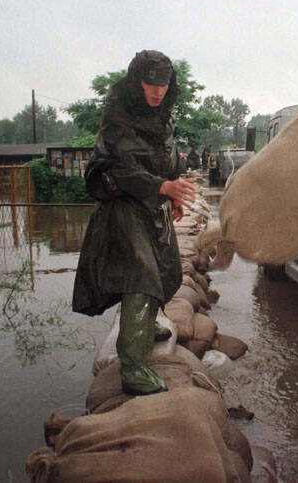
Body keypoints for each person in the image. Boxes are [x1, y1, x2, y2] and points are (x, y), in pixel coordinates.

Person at [72, 49, 197, 395]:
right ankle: (133, 365)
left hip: (151, 201)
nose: (157, 91)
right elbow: (125, 168)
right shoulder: (118, 115)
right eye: (150, 83)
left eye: (163, 84)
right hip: (124, 203)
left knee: (167, 267)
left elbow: (165, 157)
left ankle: (145, 325)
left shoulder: (164, 115)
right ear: (136, 82)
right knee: (141, 274)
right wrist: (162, 187)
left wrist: (171, 192)